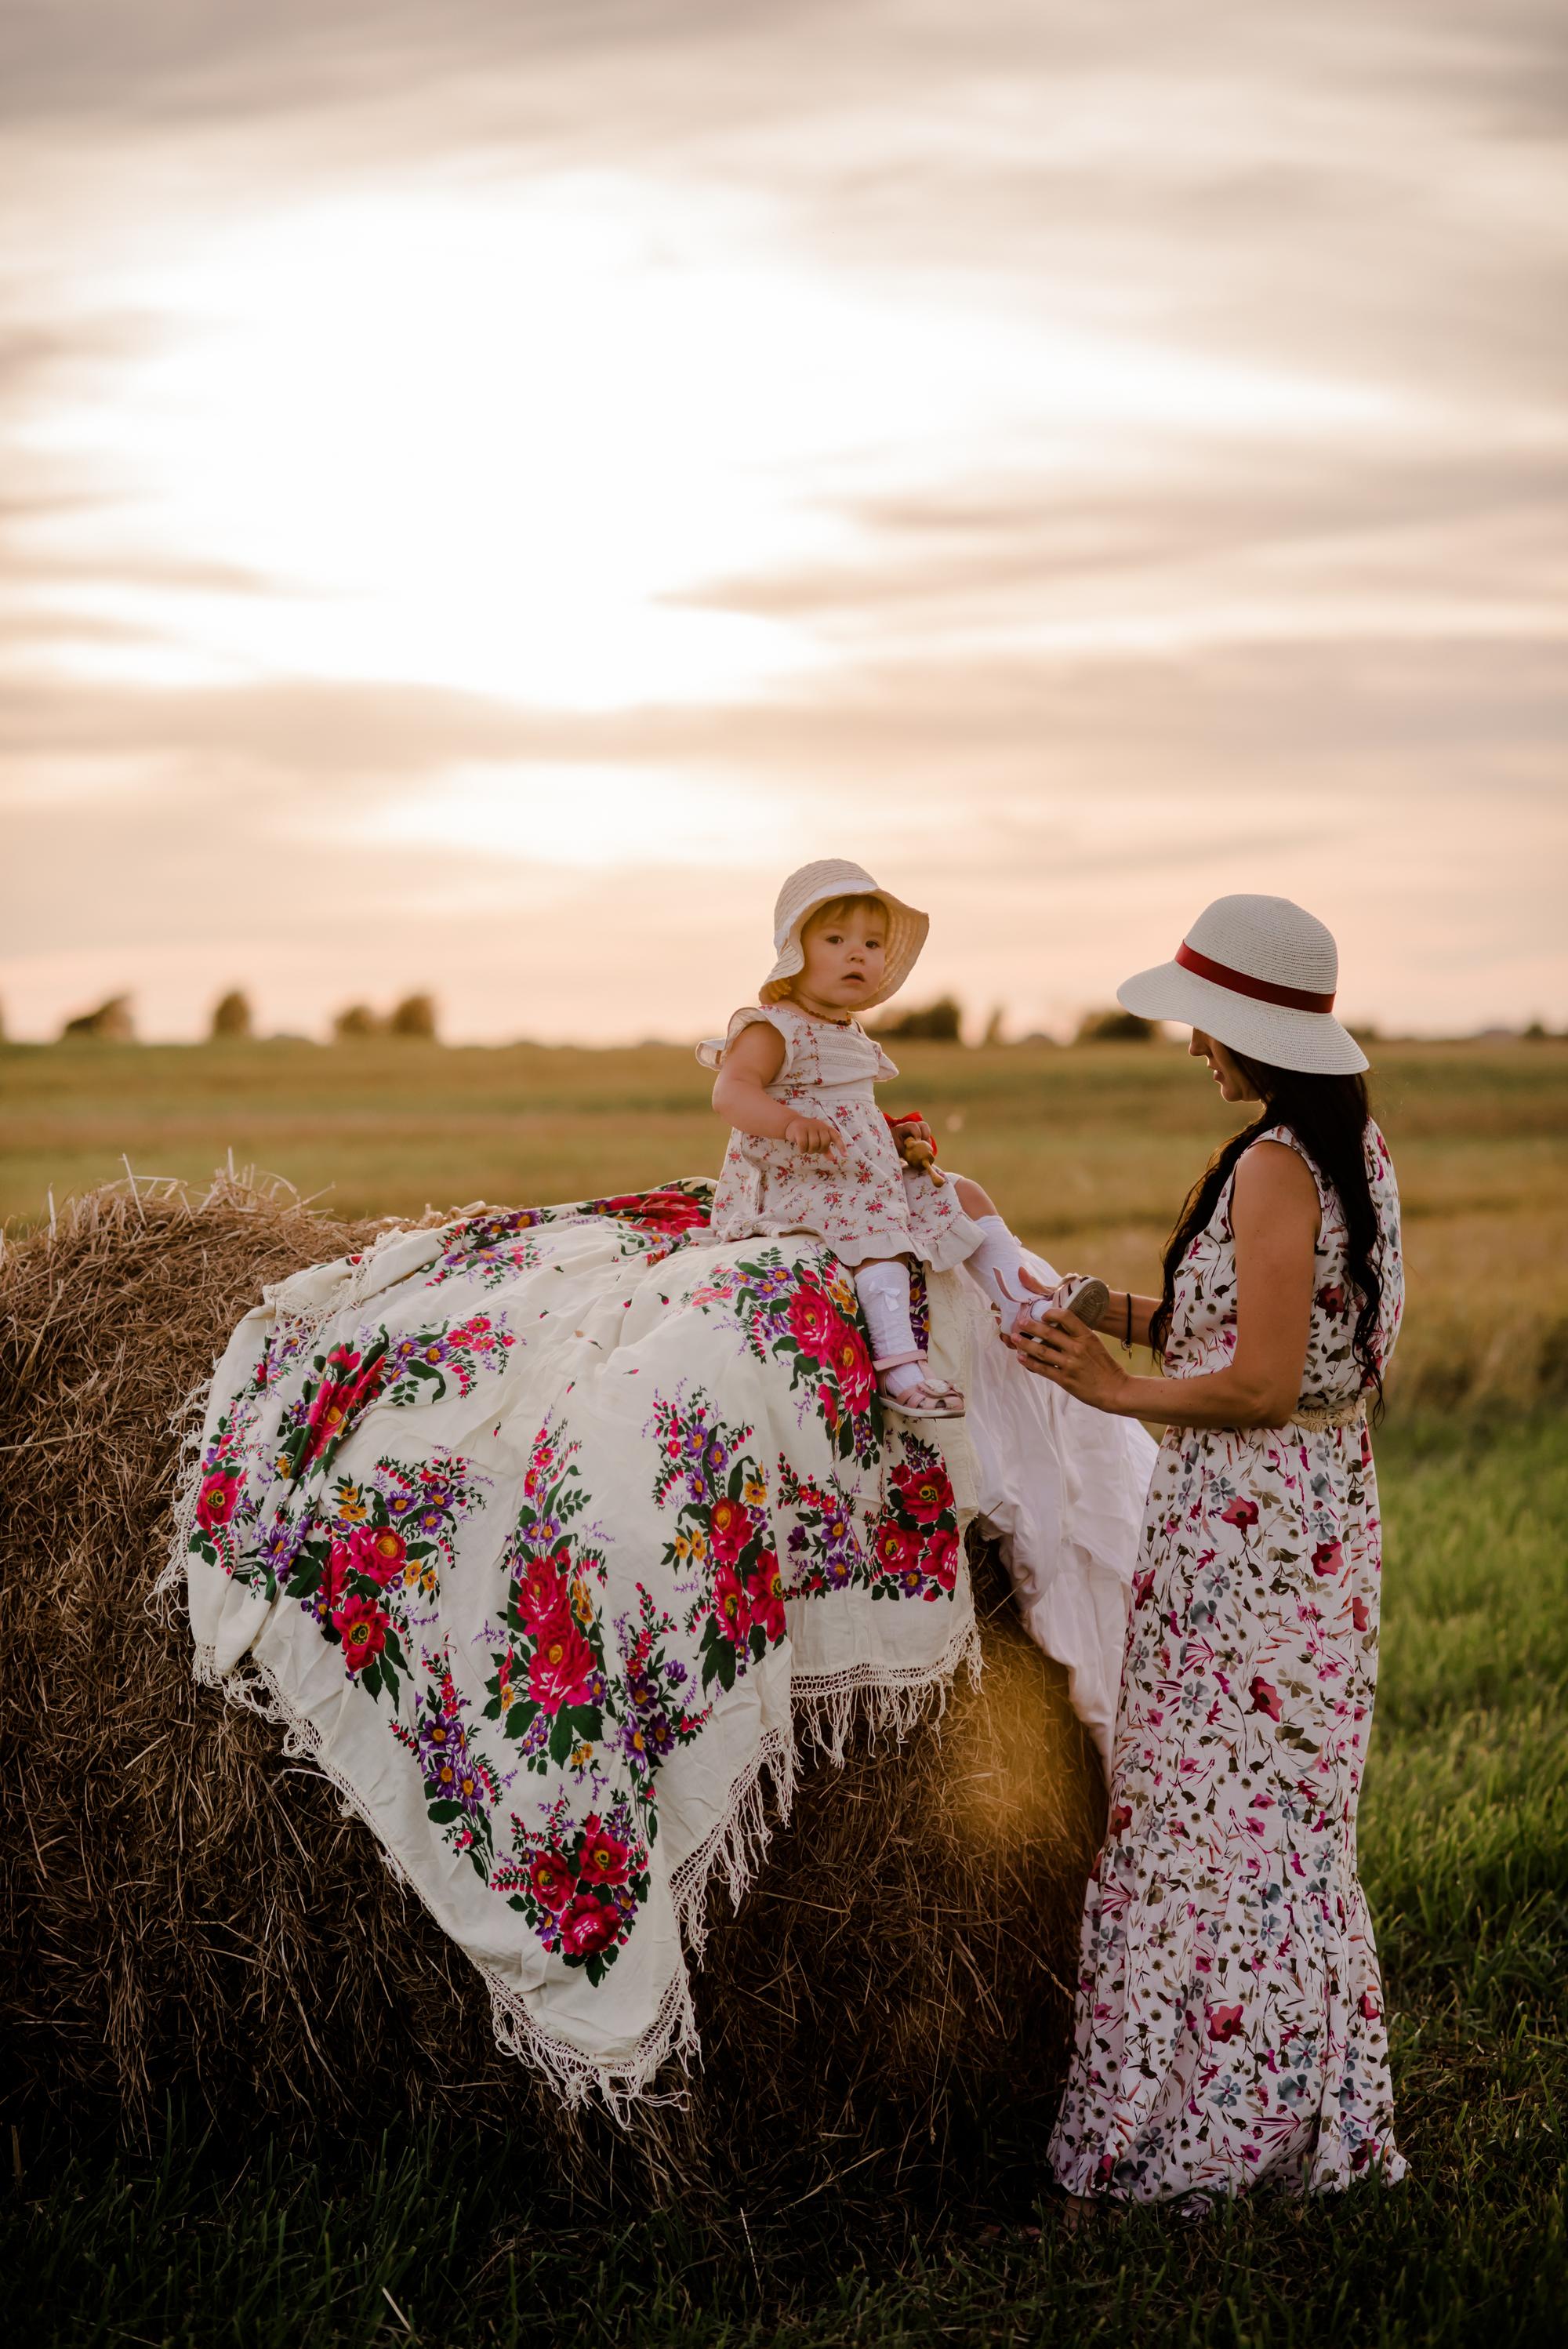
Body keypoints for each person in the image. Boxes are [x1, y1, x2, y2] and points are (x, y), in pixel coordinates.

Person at [1010, 893, 1406, 2203]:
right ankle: (1281, 2112)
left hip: (1256, 1539)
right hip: (1304, 1527)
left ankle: (1219, 2133)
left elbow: (1263, 1383)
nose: (1195, 1047)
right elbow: (1250, 1334)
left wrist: (1112, 1392)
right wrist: (1105, 1310)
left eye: (1208, 1024)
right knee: (1269, 1821)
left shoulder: (1281, 1162)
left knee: (1220, 1825)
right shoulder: (1344, 1148)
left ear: (1260, 1035)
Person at [699, 859, 1058, 1418]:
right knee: (877, 1229)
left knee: (964, 1194)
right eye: (836, 939)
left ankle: (1024, 1308)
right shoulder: (774, 1027)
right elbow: (732, 1093)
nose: (856, 953)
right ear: (796, 951)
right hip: (797, 1180)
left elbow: (849, 1112)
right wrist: (789, 1123)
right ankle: (898, 1367)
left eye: (871, 943)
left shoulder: (847, 1031)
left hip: (859, 1174)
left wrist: (892, 1134)